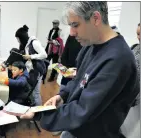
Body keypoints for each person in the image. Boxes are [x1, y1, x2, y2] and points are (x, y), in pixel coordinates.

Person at [20, 2, 139, 138]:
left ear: (95, 18)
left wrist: (40, 113)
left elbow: (84, 109)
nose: (71, 33)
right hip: (76, 129)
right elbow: (79, 79)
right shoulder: (90, 45)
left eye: (75, 25)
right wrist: (62, 95)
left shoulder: (117, 59)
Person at [15, 25, 47, 106]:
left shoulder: (34, 42)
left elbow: (44, 55)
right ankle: (33, 108)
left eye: (18, 39)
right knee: (32, 91)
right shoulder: (26, 45)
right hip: (32, 70)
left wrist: (31, 56)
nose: (18, 41)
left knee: (36, 93)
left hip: (37, 70)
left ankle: (39, 112)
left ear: (22, 37)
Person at [120, 23, 140, 138]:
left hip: (135, 97)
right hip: (124, 92)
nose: (139, 37)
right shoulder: (134, 47)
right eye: (138, 34)